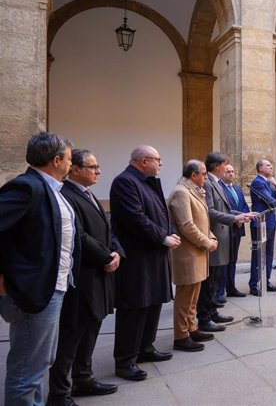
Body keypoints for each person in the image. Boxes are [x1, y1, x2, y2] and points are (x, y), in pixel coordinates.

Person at [0, 132, 75, 405]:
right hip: (34, 291)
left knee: (41, 362)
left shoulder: (51, 189)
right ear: (56, 161)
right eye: (68, 159)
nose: (70, 165)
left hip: (53, 287)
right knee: (25, 372)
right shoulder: (26, 187)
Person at [48, 149, 122, 404]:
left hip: (100, 274)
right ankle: (58, 393)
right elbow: (79, 236)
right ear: (75, 169)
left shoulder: (88, 194)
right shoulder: (67, 196)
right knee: (72, 335)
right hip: (84, 276)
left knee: (91, 329)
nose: (98, 171)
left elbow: (107, 229)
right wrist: (106, 257)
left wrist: (117, 253)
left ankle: (83, 378)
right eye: (92, 167)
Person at [110, 145, 179, 382]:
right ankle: (125, 360)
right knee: (135, 308)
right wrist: (163, 236)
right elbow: (135, 219)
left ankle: (145, 348)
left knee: (153, 304)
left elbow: (162, 212)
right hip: (137, 257)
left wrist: (169, 232)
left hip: (154, 253)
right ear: (143, 161)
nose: (160, 164)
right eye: (157, 160)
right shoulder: (125, 182)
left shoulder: (148, 181)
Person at [168, 160, 218, 352]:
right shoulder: (181, 192)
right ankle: (181, 335)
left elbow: (203, 220)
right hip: (187, 253)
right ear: (193, 175)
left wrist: (211, 237)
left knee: (194, 294)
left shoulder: (193, 191)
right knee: (185, 296)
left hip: (197, 251)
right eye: (204, 174)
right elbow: (187, 225)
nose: (206, 177)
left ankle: (191, 328)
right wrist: (207, 242)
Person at [199, 153, 252, 333]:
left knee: (215, 278)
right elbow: (211, 211)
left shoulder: (216, 183)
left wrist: (243, 214)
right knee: (210, 280)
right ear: (216, 166)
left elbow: (227, 208)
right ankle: (204, 317)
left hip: (223, 235)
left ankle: (212, 311)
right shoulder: (208, 183)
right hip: (215, 235)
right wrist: (234, 217)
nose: (228, 168)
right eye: (225, 165)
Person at [214, 161, 253, 299]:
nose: (231, 174)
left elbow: (244, 208)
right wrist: (236, 218)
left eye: (232, 171)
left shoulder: (238, 189)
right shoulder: (218, 189)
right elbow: (222, 210)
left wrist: (241, 219)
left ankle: (231, 288)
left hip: (237, 229)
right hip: (225, 228)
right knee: (223, 261)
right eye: (228, 171)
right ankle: (219, 292)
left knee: (232, 260)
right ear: (222, 173)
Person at [248, 159, 276, 296]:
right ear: (260, 168)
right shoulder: (258, 182)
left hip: (270, 222)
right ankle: (254, 284)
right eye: (268, 165)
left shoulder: (269, 182)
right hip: (260, 223)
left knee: (269, 254)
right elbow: (271, 201)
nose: (271, 167)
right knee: (258, 255)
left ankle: (266, 281)